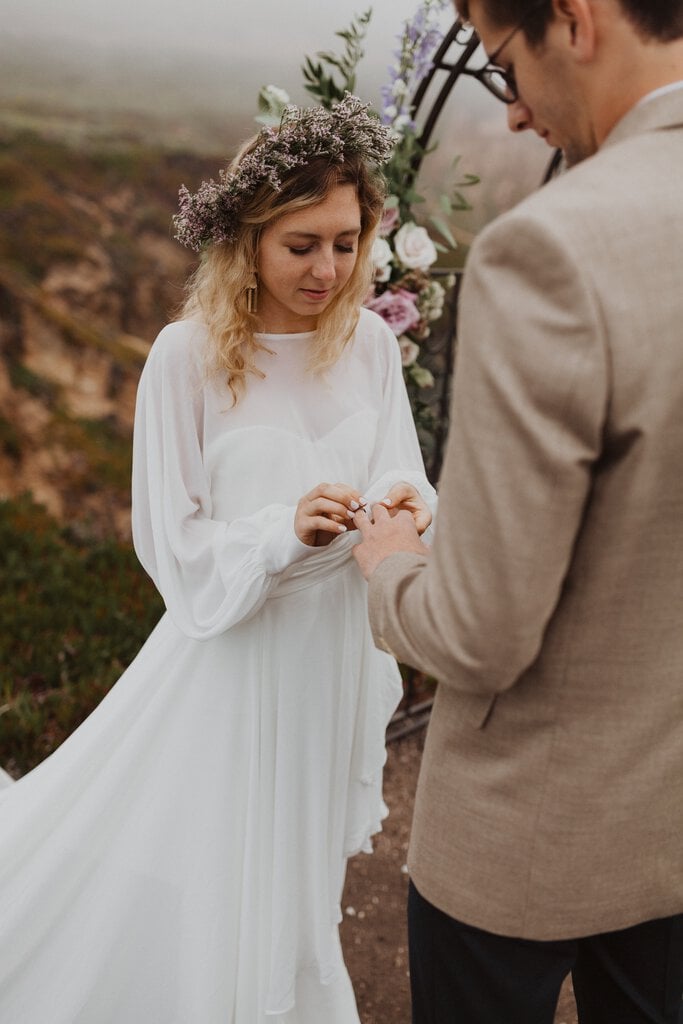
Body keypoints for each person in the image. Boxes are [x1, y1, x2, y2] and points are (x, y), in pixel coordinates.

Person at [0, 94, 436, 1023]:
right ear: (248, 240)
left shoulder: (368, 344)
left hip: (333, 650)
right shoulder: (186, 357)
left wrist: (403, 501)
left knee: (299, 868)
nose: (328, 269)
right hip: (233, 659)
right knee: (220, 866)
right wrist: (284, 530)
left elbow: (401, 462)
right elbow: (169, 540)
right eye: (301, 244)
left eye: (346, 242)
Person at [352, 1, 683, 1021]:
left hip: (524, 836)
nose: (511, 116)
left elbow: (481, 631)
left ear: (574, 20)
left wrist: (392, 562)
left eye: (503, 66)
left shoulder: (552, 250)